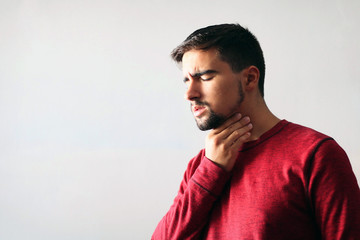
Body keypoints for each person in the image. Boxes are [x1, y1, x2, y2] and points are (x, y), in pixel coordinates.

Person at [152, 23, 360, 239]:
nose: (190, 93)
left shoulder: (316, 155)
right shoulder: (202, 165)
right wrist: (212, 170)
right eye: (187, 81)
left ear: (250, 78)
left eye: (205, 77)